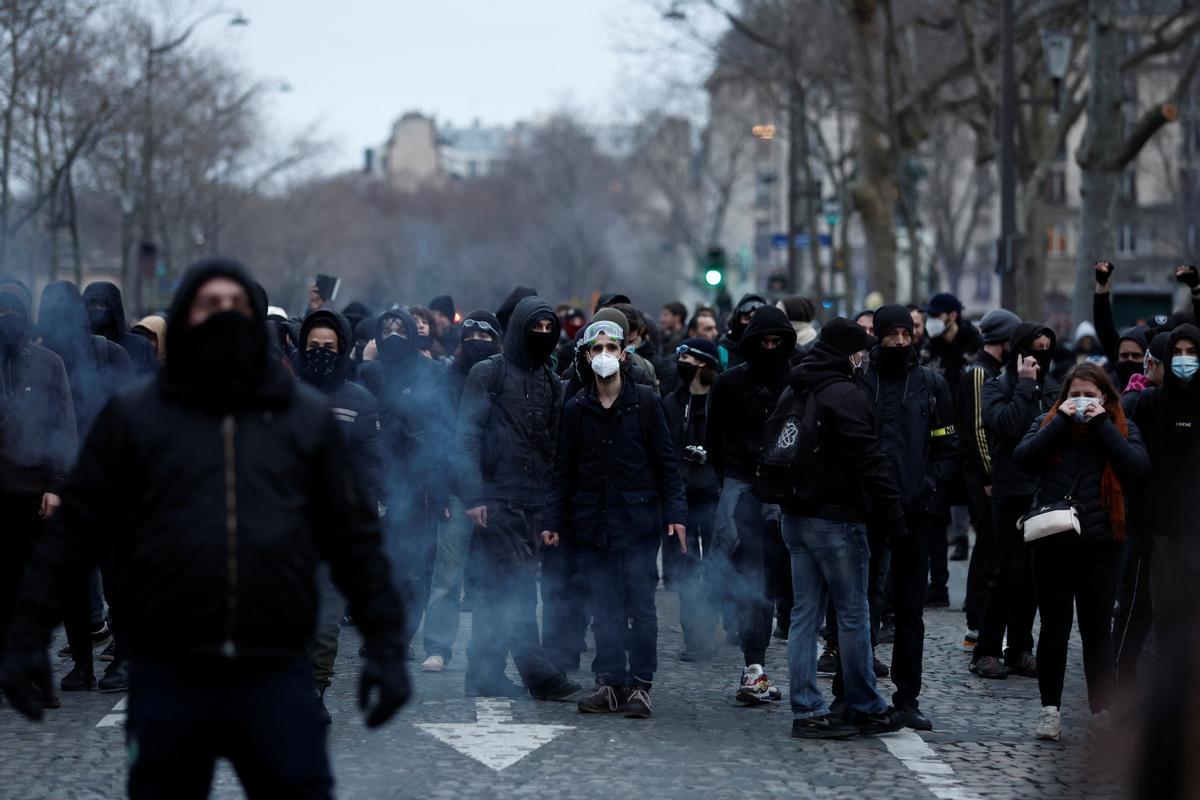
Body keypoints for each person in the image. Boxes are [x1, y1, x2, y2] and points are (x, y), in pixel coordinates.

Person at [0, 258, 409, 799]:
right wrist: (29, 631)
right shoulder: (135, 416)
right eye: (206, 305)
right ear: (187, 318)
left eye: (232, 306)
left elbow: (352, 537)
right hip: (172, 669)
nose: (220, 317)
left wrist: (385, 641)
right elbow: (76, 530)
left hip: (275, 664)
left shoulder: (303, 418)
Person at [542, 320, 687, 718]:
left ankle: (640, 685)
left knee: (640, 608)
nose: (604, 354)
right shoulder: (575, 408)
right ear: (586, 356)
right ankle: (609, 682)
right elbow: (563, 470)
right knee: (603, 606)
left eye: (611, 346)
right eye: (596, 348)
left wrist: (676, 514)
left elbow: (667, 464)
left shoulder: (646, 402)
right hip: (592, 524)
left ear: (623, 353)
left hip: (638, 522)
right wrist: (552, 521)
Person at [781, 318, 907, 739]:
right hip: (837, 518)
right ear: (850, 353)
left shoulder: (797, 384)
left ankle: (806, 709)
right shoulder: (846, 394)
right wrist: (893, 516)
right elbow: (869, 460)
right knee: (853, 614)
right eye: (861, 351)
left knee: (804, 615)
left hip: (795, 515)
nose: (865, 358)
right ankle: (866, 704)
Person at [1013, 363, 1148, 741]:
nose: (1083, 402)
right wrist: (1060, 423)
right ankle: (1050, 711)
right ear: (1065, 396)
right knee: (1054, 630)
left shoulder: (1121, 425)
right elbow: (1023, 460)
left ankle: (1100, 708)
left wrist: (1103, 425)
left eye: (1091, 395)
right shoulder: (1048, 421)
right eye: (1076, 394)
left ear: (1104, 397)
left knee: (1096, 632)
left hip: (1103, 542)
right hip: (1053, 541)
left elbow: (1138, 468)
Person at [455, 295, 580, 701]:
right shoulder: (487, 373)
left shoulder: (549, 379)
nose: (542, 336)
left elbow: (556, 444)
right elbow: (467, 437)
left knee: (498, 589)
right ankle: (538, 673)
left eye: (549, 329)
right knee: (517, 586)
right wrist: (473, 495)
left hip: (534, 500)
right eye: (535, 328)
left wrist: (552, 508)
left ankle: (483, 671)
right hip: (496, 498)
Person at [852, 304, 959, 731]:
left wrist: (927, 486)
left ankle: (907, 697)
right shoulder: (861, 382)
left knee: (911, 610)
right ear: (877, 335)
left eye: (905, 333)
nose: (899, 340)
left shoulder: (931, 384)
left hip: (916, 512)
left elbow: (948, 447)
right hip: (868, 511)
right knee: (862, 605)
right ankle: (855, 691)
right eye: (891, 333)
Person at [36, 281, 136, 692]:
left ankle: (125, 659)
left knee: (116, 578)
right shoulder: (39, 362)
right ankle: (82, 664)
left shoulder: (109, 353)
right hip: (68, 484)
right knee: (75, 583)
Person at [296, 308, 385, 721]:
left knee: (326, 620)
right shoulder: (282, 393)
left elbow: (370, 469)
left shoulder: (359, 401)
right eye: (313, 346)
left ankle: (315, 689)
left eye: (329, 347)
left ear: (343, 350)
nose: (320, 353)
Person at [706, 305, 797, 705]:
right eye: (764, 342)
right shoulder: (728, 385)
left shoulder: (798, 381)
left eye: (778, 342)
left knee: (786, 583)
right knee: (752, 584)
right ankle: (754, 665)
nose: (771, 349)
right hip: (744, 494)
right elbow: (714, 441)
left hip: (789, 494)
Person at [0, 276, 76, 712]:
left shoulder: (48, 364)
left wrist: (56, 486)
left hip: (33, 497)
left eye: (12, 311)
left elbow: (64, 427)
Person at [358, 308, 450, 659]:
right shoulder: (369, 374)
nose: (394, 334)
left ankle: (404, 635)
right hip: (376, 481)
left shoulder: (431, 373)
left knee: (413, 569)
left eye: (401, 327)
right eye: (388, 328)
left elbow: (440, 433)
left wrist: (438, 489)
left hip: (418, 484)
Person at [971, 322, 1061, 679]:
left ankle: (1020, 647)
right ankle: (986, 649)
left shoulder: (1052, 388)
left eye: (1046, 348)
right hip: (1010, 491)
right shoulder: (997, 386)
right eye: (1034, 347)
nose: (1040, 355)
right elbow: (1007, 425)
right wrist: (1025, 385)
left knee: (1032, 577)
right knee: (1007, 574)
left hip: (1043, 490)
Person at [420, 310, 503, 674]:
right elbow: (434, 443)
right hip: (454, 491)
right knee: (447, 577)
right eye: (471, 337)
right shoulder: (444, 382)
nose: (478, 344)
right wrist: (437, 491)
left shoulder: (505, 381)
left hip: (497, 492)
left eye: (486, 338)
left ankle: (489, 653)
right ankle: (438, 647)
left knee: (491, 578)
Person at [1130, 324, 1200, 667]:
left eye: (1192, 352)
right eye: (1178, 353)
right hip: (1162, 533)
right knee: (1167, 621)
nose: (1184, 360)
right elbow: (1138, 469)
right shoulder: (1150, 404)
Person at [958, 308, 1021, 654]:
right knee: (988, 550)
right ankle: (977, 621)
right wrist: (989, 475)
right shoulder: (981, 372)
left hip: (985, 476)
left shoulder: (987, 369)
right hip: (985, 479)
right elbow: (980, 430)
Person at [662, 337, 724, 661]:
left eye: (688, 357)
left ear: (704, 363)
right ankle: (693, 638)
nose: (682, 362)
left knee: (713, 567)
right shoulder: (672, 401)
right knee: (686, 569)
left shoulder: (721, 401)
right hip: (681, 497)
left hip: (714, 496)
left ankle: (709, 629)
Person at [82, 281, 157, 374]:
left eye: (103, 304)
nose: (98, 309)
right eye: (93, 304)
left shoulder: (139, 346)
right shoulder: (78, 347)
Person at [719, 294, 768, 369]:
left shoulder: (773, 348)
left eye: (756, 321)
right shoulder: (723, 352)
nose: (751, 326)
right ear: (736, 321)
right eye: (747, 319)